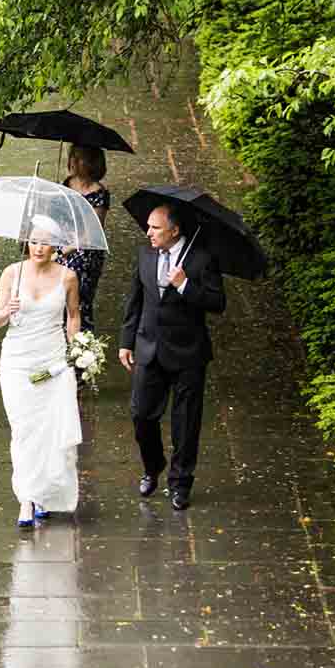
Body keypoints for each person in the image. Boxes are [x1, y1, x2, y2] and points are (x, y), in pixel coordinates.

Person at [118, 203, 226, 510]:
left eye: (155, 227)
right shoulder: (145, 254)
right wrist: (126, 342)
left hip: (188, 352)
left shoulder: (202, 258)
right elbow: (134, 301)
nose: (148, 232)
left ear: (174, 230)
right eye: (149, 226)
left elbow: (218, 303)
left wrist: (185, 285)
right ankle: (153, 466)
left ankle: (180, 484)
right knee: (141, 414)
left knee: (186, 422)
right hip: (149, 348)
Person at [0, 215, 82, 528]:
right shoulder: (11, 274)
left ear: (55, 245)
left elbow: (73, 316)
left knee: (50, 431)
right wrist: (8, 309)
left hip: (53, 361)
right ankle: (26, 499)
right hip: (18, 361)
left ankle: (43, 494)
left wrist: (78, 351)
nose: (38, 248)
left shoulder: (68, 277)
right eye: (33, 241)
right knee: (24, 430)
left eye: (45, 242)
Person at [56, 145, 110, 332]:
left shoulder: (99, 193)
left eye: (81, 158)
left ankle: (80, 340)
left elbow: (93, 231)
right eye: (73, 157)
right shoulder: (64, 185)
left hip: (84, 250)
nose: (75, 162)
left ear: (92, 163)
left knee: (78, 298)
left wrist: (66, 250)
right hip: (61, 244)